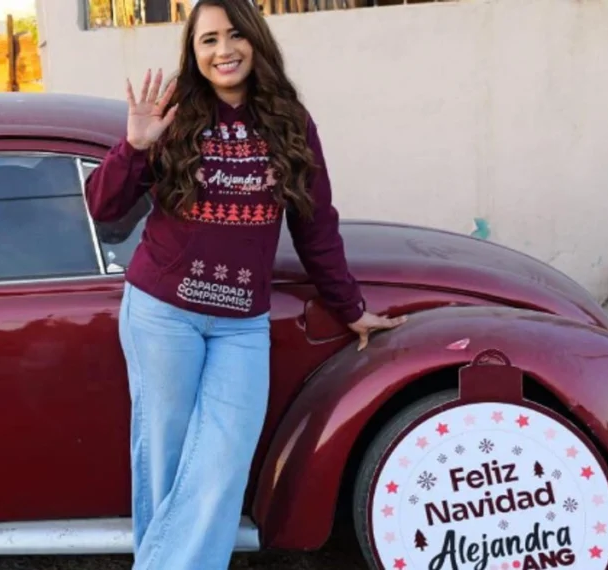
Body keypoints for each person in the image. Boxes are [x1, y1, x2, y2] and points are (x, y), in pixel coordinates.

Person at [83, 1, 406, 568]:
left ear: (256, 40)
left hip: (241, 324)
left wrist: (350, 305)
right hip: (163, 313)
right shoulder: (175, 114)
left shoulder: (289, 121)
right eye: (208, 40)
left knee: (223, 461)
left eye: (234, 35)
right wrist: (135, 147)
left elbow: (315, 224)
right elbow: (104, 207)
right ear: (194, 53)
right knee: (165, 459)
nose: (223, 50)